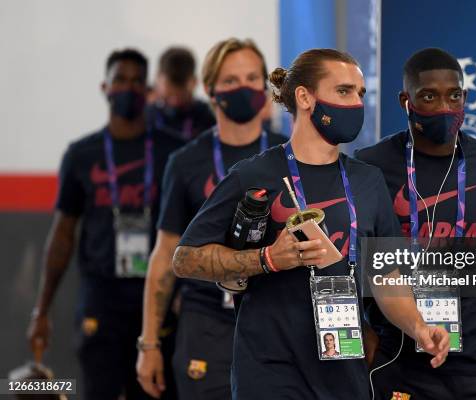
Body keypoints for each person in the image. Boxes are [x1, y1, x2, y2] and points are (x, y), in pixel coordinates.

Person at [171, 48, 449, 400]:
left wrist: (419, 327)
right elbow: (185, 258)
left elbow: (387, 278)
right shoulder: (254, 174)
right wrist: (267, 259)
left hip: (343, 371)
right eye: (344, 92)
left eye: (360, 94)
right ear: (305, 97)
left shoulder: (368, 181)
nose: (356, 104)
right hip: (268, 371)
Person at [355, 47, 476, 400]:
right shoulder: (370, 166)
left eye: (454, 96)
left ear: (466, 98)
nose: (444, 108)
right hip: (400, 357)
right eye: (429, 96)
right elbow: (357, 261)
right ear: (405, 101)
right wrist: (364, 339)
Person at [26, 49, 184, 399]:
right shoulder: (82, 154)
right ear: (105, 87)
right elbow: (63, 233)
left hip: (157, 298)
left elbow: (191, 230)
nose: (127, 88)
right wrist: (42, 309)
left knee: (156, 391)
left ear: (148, 91)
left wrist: (187, 292)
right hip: (101, 298)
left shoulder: (174, 153)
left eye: (136, 82)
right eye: (120, 80)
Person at [136, 38, 287, 400]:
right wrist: (149, 344)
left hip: (275, 318)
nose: (245, 88)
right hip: (206, 322)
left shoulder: (289, 154)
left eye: (253, 78)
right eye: (231, 81)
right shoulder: (187, 161)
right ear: (210, 89)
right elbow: (165, 254)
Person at [147, 47, 216, 141]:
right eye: (170, 88)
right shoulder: (145, 118)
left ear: (195, 82)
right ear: (157, 80)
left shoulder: (210, 119)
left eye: (181, 90)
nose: (175, 100)